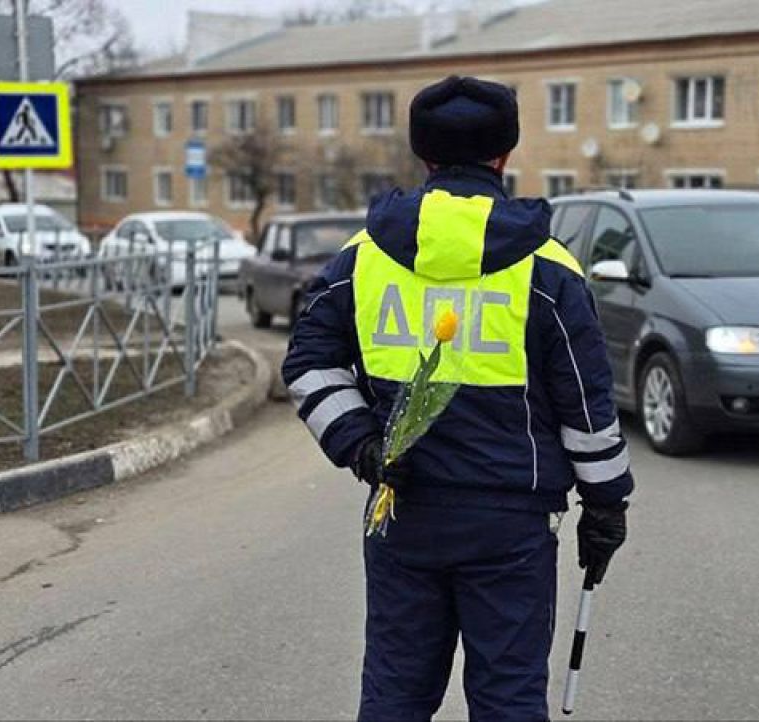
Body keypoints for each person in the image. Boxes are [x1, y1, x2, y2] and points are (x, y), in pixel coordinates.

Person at [281, 75, 634, 721]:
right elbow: (587, 406)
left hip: (402, 512)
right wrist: (606, 502)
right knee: (508, 698)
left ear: (423, 155)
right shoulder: (548, 268)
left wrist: (363, 446)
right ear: (505, 154)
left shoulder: (361, 259)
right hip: (511, 527)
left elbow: (309, 365)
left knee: (395, 694)